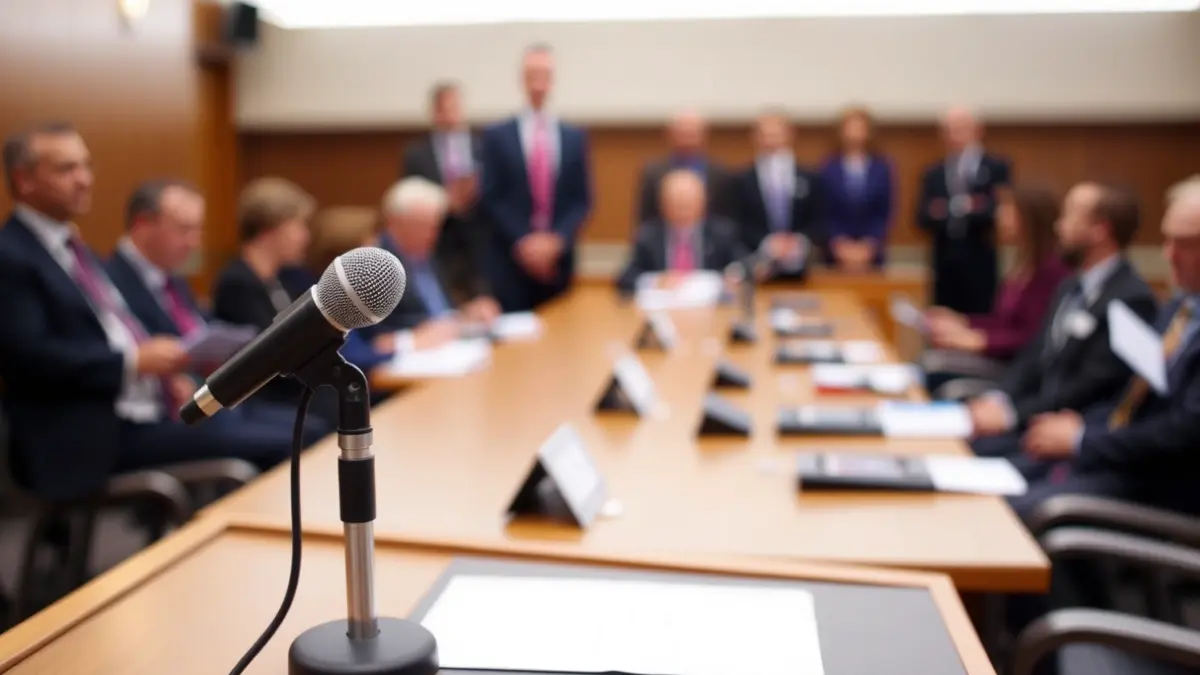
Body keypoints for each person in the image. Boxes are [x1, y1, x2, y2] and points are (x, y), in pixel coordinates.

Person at [0, 122, 293, 499]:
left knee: (300, 427)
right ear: (23, 180)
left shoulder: (76, 251)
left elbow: (112, 330)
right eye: (66, 169)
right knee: (288, 440)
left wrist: (161, 371)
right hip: (88, 436)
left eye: (86, 166)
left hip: (137, 414)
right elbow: (28, 359)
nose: (85, 179)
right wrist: (134, 363)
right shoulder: (12, 256)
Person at [965, 182, 1157, 465]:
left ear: (1099, 229)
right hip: (1034, 418)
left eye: (1069, 216)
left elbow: (1090, 386)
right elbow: (1035, 354)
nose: (1058, 226)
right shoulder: (1070, 285)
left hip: (1068, 436)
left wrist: (1013, 414)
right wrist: (999, 400)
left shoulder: (1130, 299)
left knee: (976, 462)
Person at [106, 179, 311, 431]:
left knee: (310, 426)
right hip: (160, 414)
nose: (194, 242)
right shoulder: (110, 281)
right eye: (184, 229)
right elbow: (140, 352)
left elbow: (196, 334)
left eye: (197, 231)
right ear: (143, 224)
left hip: (206, 400)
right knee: (303, 431)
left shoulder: (173, 280)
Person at [211, 177, 334, 426]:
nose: (305, 237)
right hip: (263, 398)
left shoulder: (282, 279)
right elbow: (269, 355)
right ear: (270, 229)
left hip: (291, 390)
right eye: (298, 226)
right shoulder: (237, 282)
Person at [480, 43, 593, 312]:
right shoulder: (497, 135)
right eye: (533, 75)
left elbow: (582, 200)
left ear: (552, 80)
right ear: (522, 79)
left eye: (544, 75)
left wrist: (555, 241)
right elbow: (492, 196)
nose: (539, 83)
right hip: (511, 260)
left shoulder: (573, 137)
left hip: (559, 262)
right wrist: (525, 242)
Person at [925, 185, 1073, 364]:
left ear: (1030, 218)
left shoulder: (1052, 271)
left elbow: (1033, 338)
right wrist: (964, 322)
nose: (998, 216)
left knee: (934, 364)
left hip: (1018, 370)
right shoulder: (1022, 264)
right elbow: (1004, 323)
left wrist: (980, 342)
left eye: (1007, 210)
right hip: (1002, 361)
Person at [362, 177, 500, 350]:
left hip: (454, 345)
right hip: (412, 361)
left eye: (435, 226)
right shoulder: (374, 267)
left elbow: (442, 312)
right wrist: (411, 339)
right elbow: (370, 342)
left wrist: (468, 312)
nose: (432, 235)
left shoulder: (433, 253)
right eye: (422, 226)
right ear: (394, 223)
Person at [400, 81, 490, 305]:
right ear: (435, 112)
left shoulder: (484, 147)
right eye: (445, 108)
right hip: (437, 242)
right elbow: (409, 199)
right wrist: (444, 202)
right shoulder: (416, 154)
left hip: (478, 239)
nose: (451, 114)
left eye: (455, 107)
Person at [916, 106, 1012, 314]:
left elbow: (997, 209)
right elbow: (923, 216)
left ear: (978, 130)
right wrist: (965, 206)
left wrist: (952, 208)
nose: (954, 136)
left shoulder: (996, 167)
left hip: (980, 257)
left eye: (960, 129)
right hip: (944, 260)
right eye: (949, 130)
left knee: (981, 318)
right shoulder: (934, 172)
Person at [617, 169, 748, 293]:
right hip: (664, 305)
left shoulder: (721, 233)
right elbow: (626, 279)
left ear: (703, 202)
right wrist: (655, 281)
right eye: (677, 203)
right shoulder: (648, 236)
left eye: (688, 203)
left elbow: (743, 267)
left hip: (710, 308)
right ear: (663, 204)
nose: (683, 210)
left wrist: (731, 278)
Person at [305, 206, 395, 380]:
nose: (378, 253)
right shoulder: (326, 297)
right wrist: (396, 348)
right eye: (370, 244)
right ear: (348, 251)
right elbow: (350, 356)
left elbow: (375, 339)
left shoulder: (359, 293)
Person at [735, 109, 825, 280]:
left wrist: (798, 241)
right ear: (755, 137)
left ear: (789, 134)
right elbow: (737, 223)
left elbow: (819, 219)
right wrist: (768, 244)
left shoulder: (809, 177)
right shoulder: (742, 179)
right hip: (757, 268)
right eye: (765, 134)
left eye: (776, 134)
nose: (771, 140)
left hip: (802, 269)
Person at [819, 106, 894, 270]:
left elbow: (884, 212)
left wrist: (869, 245)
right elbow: (824, 211)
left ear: (869, 131)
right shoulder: (828, 168)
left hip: (872, 256)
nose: (854, 133)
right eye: (850, 128)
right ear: (841, 131)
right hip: (835, 256)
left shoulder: (881, 168)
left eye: (860, 128)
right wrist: (839, 245)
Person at [634, 110, 737, 226]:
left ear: (704, 135)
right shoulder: (653, 171)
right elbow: (645, 217)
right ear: (670, 134)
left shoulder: (719, 172)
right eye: (683, 133)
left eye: (692, 133)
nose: (687, 138)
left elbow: (727, 215)